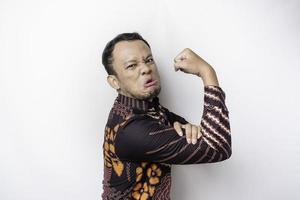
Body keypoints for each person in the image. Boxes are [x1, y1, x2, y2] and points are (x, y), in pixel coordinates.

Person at [101, 32, 231, 200]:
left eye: (148, 60)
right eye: (132, 65)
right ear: (114, 82)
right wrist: (206, 72)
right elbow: (217, 148)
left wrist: (184, 127)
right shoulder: (132, 130)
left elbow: (205, 136)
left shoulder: (146, 109)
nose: (146, 69)